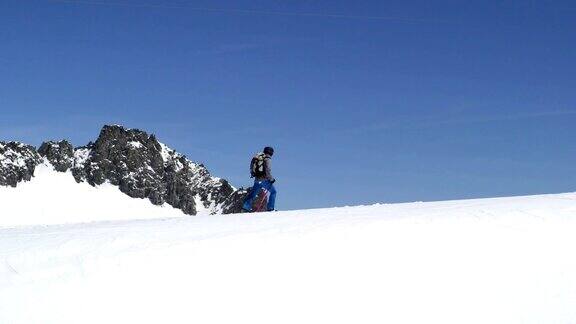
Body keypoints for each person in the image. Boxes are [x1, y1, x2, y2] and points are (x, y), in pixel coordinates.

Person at [242, 146, 277, 212]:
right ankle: (270, 208)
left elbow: (252, 167)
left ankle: (245, 208)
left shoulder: (258, 158)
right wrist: (271, 179)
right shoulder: (267, 159)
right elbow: (268, 170)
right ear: (271, 152)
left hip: (257, 180)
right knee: (273, 192)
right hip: (264, 180)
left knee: (253, 194)